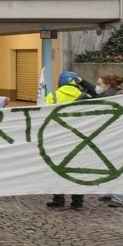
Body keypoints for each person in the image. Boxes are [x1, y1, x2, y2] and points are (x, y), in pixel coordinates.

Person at [46, 71, 91, 210]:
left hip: (57, 139)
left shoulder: (51, 96)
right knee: (78, 170)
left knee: (57, 169)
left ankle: (58, 200)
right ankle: (78, 202)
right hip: (79, 139)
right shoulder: (85, 97)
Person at [94, 73, 123, 208]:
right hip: (107, 135)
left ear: (108, 86)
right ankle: (109, 192)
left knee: (116, 165)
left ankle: (118, 197)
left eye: (99, 84)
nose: (97, 86)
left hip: (116, 136)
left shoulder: (117, 97)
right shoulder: (107, 95)